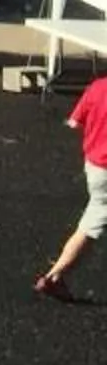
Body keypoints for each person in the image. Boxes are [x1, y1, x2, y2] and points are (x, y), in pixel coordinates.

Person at [36, 74, 107, 301]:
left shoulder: (97, 87)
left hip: (95, 166)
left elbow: (75, 122)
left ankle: (56, 275)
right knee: (90, 228)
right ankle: (56, 275)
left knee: (92, 221)